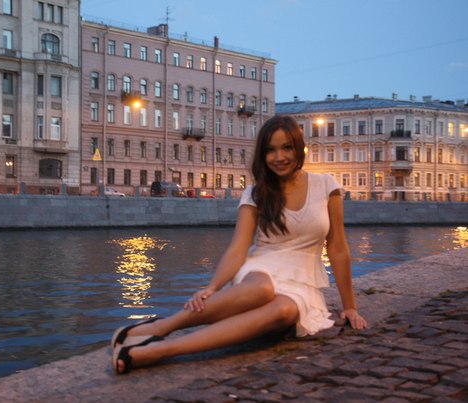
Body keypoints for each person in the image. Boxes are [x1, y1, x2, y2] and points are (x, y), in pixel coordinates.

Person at [111, 115, 368, 374]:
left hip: (302, 280)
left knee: (285, 311)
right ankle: (160, 327)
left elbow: (337, 248)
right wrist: (212, 287)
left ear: (298, 148)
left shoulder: (326, 186)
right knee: (262, 290)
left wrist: (350, 306)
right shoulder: (256, 193)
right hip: (262, 267)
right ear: (262, 155)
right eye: (270, 150)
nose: (279, 157)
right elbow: (238, 248)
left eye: (287, 147)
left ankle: (162, 349)